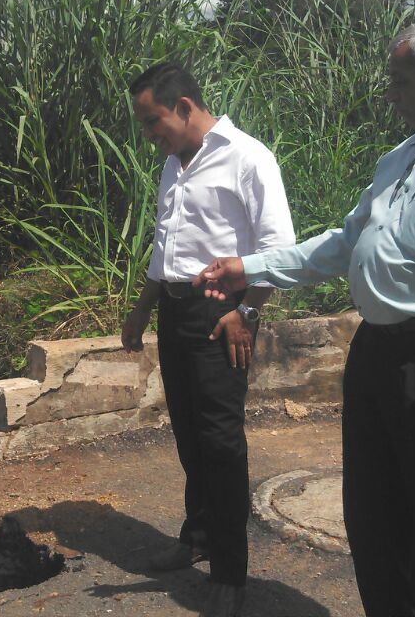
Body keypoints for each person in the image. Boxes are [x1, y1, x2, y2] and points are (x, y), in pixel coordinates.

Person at [196, 17, 415, 617]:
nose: (390, 94)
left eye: (400, 81)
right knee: (371, 514)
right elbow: (345, 241)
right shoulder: (403, 154)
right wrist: (252, 266)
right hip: (376, 352)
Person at [121, 62, 295, 617]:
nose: (151, 136)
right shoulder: (176, 163)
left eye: (154, 122)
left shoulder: (248, 157)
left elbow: (278, 247)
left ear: (186, 107)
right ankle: (196, 536)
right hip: (175, 313)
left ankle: (230, 570)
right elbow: (163, 246)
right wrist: (142, 309)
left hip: (222, 313)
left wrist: (248, 311)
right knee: (190, 436)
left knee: (221, 443)